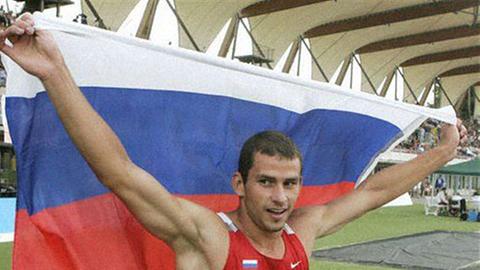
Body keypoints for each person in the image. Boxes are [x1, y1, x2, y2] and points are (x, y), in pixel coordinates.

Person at [0, 13, 468, 269]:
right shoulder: (207, 238)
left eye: (290, 183)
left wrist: (443, 152)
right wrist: (56, 72)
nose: (281, 197)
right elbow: (118, 172)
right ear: (239, 183)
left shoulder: (301, 234)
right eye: (267, 182)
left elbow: (374, 191)